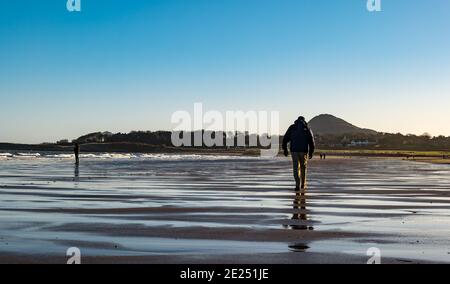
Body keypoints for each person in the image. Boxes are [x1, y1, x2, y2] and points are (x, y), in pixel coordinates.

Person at [282, 116, 315, 191]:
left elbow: (285, 138)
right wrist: (311, 152)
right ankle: (303, 184)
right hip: (304, 151)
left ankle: (297, 184)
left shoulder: (292, 127)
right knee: (303, 168)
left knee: (295, 168)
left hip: (294, 151)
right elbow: (311, 141)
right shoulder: (306, 128)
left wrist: (285, 149)